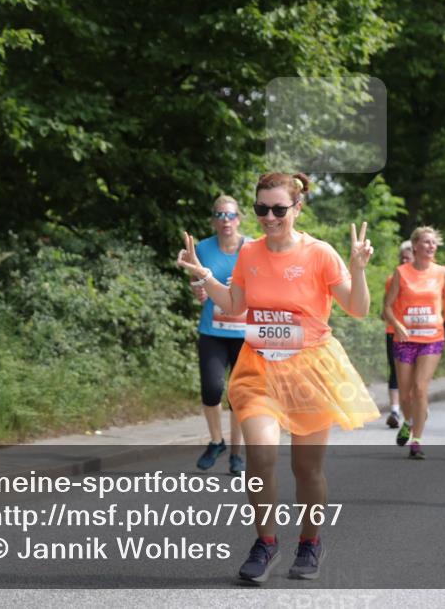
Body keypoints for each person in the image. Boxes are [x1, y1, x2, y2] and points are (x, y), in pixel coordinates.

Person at [176, 172, 377, 583]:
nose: (269, 217)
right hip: (259, 367)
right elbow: (234, 304)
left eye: (279, 209)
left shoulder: (320, 254)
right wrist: (205, 276)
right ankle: (266, 543)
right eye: (262, 209)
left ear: (297, 208)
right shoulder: (249, 253)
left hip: (309, 368)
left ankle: (310, 541)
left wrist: (358, 270)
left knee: (307, 470)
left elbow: (357, 308)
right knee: (261, 456)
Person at [385, 227, 445, 459]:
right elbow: (386, 307)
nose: (431, 246)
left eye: (434, 243)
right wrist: (397, 324)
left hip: (432, 338)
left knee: (420, 387)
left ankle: (416, 440)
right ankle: (410, 420)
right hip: (405, 338)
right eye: (426, 242)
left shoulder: (442, 273)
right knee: (405, 395)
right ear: (415, 246)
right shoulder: (401, 272)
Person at [191, 196, 247, 474]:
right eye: (219, 215)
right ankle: (216, 441)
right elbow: (196, 282)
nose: (226, 220)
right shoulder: (202, 248)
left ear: (239, 218)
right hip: (212, 330)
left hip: (245, 334)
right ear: (213, 220)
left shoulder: (252, 248)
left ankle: (237, 454)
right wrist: (198, 290)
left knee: (238, 395)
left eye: (230, 215)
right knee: (212, 388)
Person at [382, 241, 414, 428]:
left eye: (407, 258)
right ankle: (395, 410)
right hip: (393, 331)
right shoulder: (392, 278)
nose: (404, 260)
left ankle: (411, 411)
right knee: (394, 370)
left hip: (417, 335)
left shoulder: (424, 278)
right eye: (402, 257)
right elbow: (386, 304)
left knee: (411, 376)